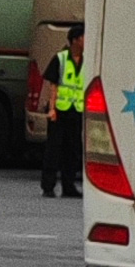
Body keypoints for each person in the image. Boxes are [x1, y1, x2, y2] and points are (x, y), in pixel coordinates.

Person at [41, 23, 88, 196]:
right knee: (53, 149)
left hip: (77, 111)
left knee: (73, 150)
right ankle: (48, 186)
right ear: (75, 40)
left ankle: (69, 187)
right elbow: (53, 86)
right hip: (59, 111)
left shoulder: (88, 60)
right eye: (84, 37)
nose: (86, 40)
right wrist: (51, 109)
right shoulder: (60, 58)